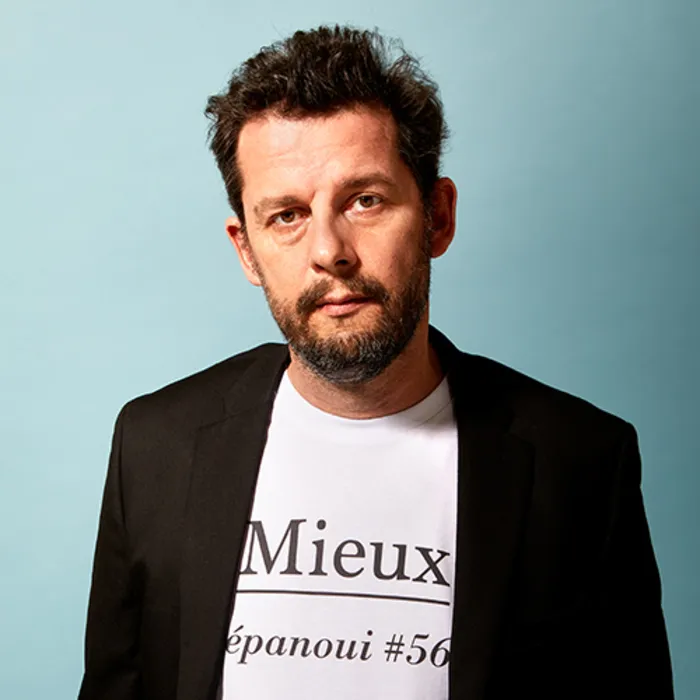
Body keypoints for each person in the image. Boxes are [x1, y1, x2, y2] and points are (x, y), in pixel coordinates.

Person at [78, 25, 673, 700]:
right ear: (246, 249)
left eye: (365, 200)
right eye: (287, 215)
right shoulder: (155, 447)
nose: (329, 251)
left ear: (437, 217)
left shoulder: (580, 463)